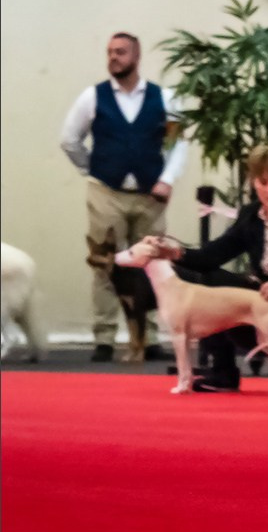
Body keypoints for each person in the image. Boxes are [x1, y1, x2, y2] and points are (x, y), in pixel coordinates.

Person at [157, 144, 268, 392]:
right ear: (253, 182)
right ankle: (222, 373)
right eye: (263, 183)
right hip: (264, 299)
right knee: (207, 279)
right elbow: (212, 256)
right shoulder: (249, 215)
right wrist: (175, 252)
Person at [60, 32, 189, 363]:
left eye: (120, 52)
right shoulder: (93, 97)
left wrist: (168, 179)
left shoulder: (165, 98)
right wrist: (94, 170)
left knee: (154, 265)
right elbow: (69, 139)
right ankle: (104, 337)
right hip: (107, 192)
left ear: (136, 56)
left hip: (150, 194)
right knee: (105, 263)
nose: (113, 57)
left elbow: (178, 142)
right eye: (110, 52)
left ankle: (148, 339)